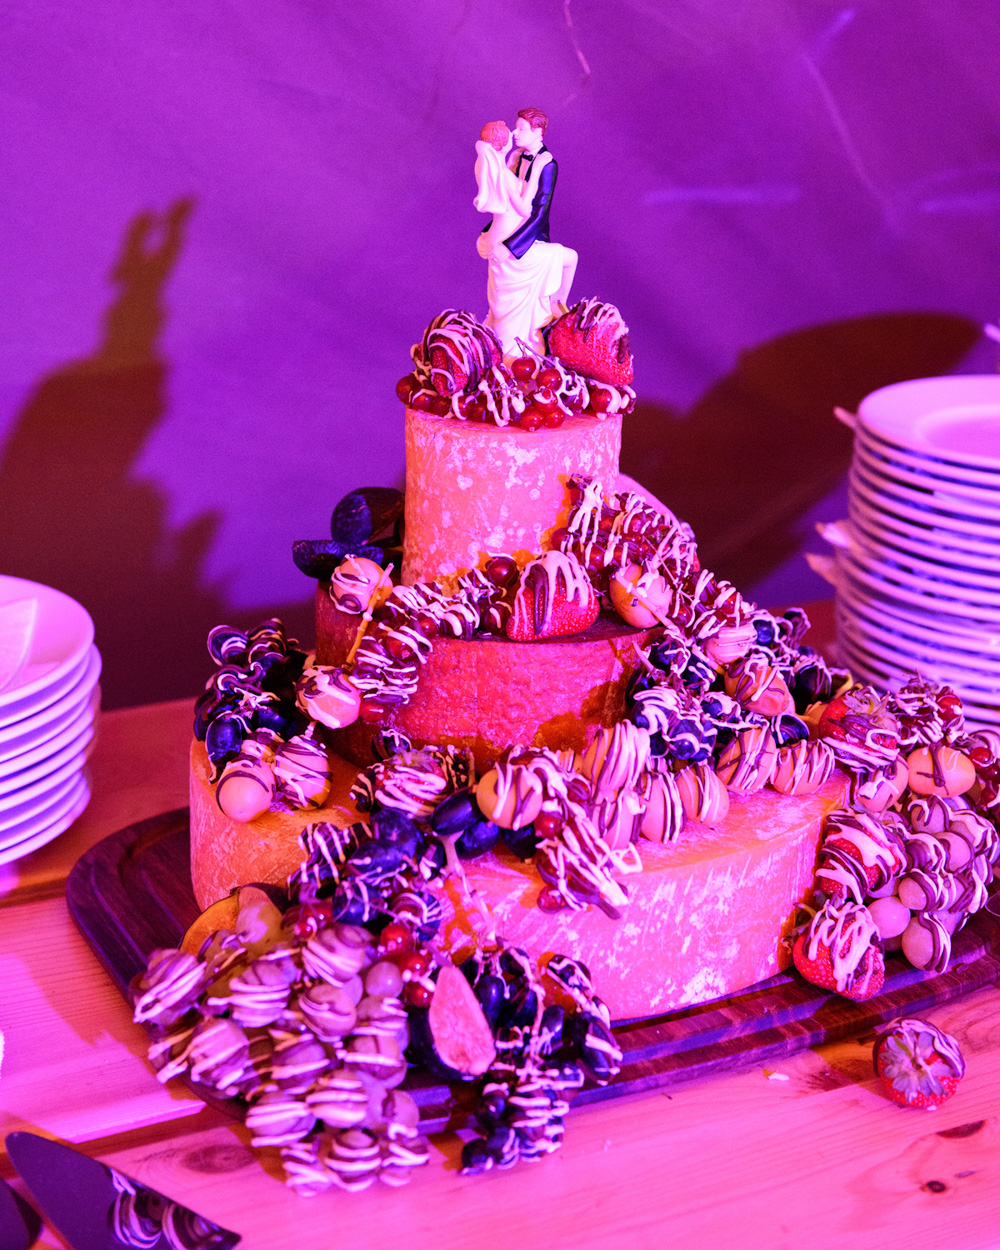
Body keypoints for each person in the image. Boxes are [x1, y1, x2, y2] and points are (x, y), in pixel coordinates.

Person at [473, 108, 578, 357]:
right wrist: (507, 245)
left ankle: (555, 306)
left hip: (520, 237)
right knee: (569, 259)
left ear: (538, 132)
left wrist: (510, 245)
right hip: (512, 239)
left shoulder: (546, 164)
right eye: (514, 128)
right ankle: (551, 312)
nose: (515, 133)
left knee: (568, 259)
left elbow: (540, 211)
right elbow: (518, 206)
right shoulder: (517, 160)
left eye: (521, 128)